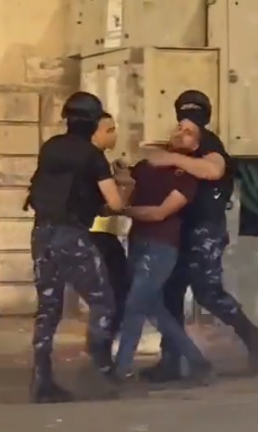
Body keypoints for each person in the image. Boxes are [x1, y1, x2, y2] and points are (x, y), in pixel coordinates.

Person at [140, 89, 258, 383]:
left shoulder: (209, 143)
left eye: (189, 126)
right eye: (181, 125)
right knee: (170, 293)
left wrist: (171, 157)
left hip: (204, 230)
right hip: (179, 229)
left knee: (207, 291)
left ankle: (253, 336)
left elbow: (213, 170)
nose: (183, 129)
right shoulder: (182, 146)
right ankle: (171, 361)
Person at [24, 92, 126, 403]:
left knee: (48, 309)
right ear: (93, 122)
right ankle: (98, 371)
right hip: (71, 234)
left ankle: (41, 382)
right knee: (103, 301)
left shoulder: (51, 147)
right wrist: (122, 180)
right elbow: (115, 203)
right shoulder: (92, 156)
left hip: (42, 233)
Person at [112, 121, 213, 381]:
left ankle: (121, 368)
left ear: (196, 145)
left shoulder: (187, 175)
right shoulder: (148, 165)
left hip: (162, 246)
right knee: (153, 309)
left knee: (135, 305)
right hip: (138, 241)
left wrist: (122, 211)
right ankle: (197, 360)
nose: (181, 133)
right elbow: (129, 187)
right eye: (179, 127)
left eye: (189, 132)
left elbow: (161, 212)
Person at [88, 112, 133, 357]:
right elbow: (113, 207)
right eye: (110, 130)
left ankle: (100, 353)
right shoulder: (94, 161)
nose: (115, 135)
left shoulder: (89, 159)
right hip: (99, 236)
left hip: (97, 236)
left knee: (107, 299)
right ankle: (101, 355)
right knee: (113, 298)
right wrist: (125, 185)